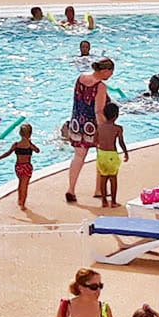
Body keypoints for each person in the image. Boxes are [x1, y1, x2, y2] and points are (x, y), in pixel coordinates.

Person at [62, 55, 116, 205]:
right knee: (101, 155)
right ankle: (98, 190)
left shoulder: (80, 78)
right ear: (105, 70)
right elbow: (98, 111)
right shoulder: (100, 86)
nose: (111, 75)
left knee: (78, 157)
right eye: (111, 72)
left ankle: (71, 189)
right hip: (92, 126)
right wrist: (106, 128)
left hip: (77, 123)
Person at [0, 122, 38, 214]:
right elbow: (37, 150)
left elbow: (8, 153)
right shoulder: (29, 145)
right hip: (27, 166)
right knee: (25, 185)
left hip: (18, 167)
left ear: (20, 133)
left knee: (20, 183)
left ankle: (19, 199)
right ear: (30, 133)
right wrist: (31, 143)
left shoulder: (16, 144)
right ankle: (23, 203)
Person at [91, 101, 125, 210]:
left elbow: (94, 141)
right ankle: (114, 202)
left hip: (101, 154)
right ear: (116, 116)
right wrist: (126, 152)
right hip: (112, 155)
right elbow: (121, 142)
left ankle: (104, 201)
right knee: (113, 178)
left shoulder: (99, 127)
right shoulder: (118, 128)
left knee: (103, 178)